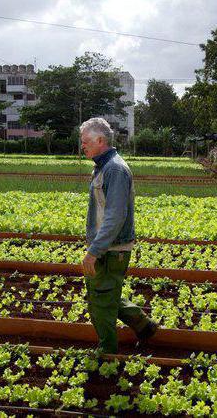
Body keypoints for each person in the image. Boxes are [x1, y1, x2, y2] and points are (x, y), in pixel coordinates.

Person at [79, 117, 158, 354]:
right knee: (103, 293)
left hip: (111, 250)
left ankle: (107, 352)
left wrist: (94, 251)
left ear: (100, 140)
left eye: (85, 142)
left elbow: (115, 216)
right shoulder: (103, 166)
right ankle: (144, 326)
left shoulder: (115, 169)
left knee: (101, 301)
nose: (82, 146)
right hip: (107, 247)